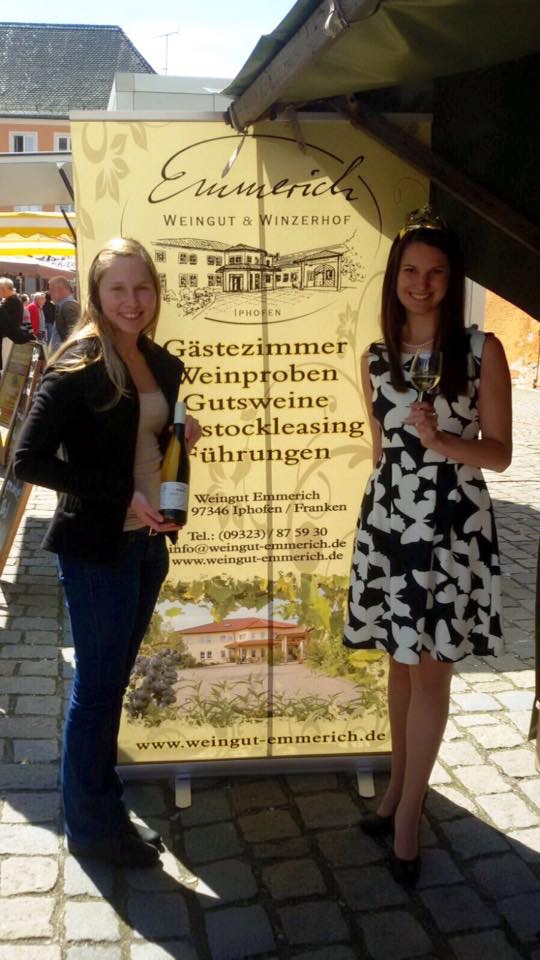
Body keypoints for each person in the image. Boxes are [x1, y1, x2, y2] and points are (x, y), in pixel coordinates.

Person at [15, 238, 202, 867]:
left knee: (113, 682)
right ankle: (92, 829)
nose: (132, 300)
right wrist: (120, 493)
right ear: (97, 296)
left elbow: (149, 447)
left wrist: (181, 434)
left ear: (156, 293)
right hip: (97, 548)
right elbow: (26, 458)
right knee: (96, 690)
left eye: (142, 287)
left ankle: (104, 804)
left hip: (148, 542)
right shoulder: (78, 365)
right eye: (118, 289)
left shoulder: (162, 363)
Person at [343, 207, 512, 886]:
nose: (422, 283)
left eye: (436, 272)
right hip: (391, 523)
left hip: (450, 525)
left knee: (432, 669)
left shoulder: (480, 351)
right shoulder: (376, 358)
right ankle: (394, 791)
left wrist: (442, 441)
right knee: (398, 663)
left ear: (452, 279)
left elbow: (498, 455)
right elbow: (384, 452)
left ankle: (410, 815)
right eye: (411, 270)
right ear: (395, 278)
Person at [0, 277, 34, 373]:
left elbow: (10, 326)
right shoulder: (9, 302)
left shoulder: (13, 302)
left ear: (3, 289)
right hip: (9, 337)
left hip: (8, 338)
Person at [48, 276, 80, 351]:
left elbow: (76, 335)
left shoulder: (68, 306)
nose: (49, 293)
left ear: (60, 290)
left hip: (67, 356)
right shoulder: (64, 305)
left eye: (51, 289)